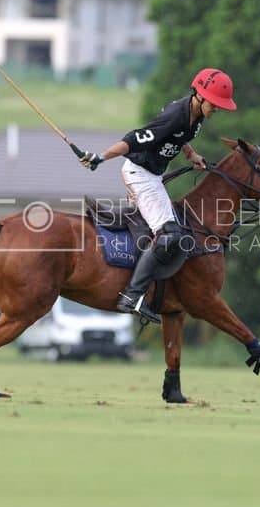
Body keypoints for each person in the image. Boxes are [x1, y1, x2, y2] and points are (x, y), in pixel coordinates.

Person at [80, 67, 236, 322]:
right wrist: (101, 157)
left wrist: (191, 155)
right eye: (215, 102)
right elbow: (134, 139)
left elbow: (178, 139)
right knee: (170, 234)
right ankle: (132, 295)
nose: (217, 108)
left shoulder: (195, 117)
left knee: (163, 230)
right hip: (139, 173)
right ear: (198, 95)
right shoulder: (176, 115)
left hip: (152, 176)